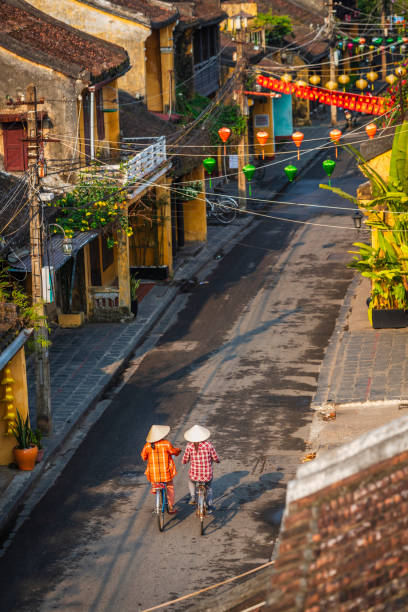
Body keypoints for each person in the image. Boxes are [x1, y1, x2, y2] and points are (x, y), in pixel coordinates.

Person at [141, 425, 181, 514]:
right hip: (166, 473)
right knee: (170, 486)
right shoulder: (166, 443)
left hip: (153, 474)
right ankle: (170, 506)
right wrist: (178, 450)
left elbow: (143, 457)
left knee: (154, 479)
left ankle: (156, 489)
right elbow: (174, 452)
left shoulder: (147, 446)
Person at [182, 425, 220, 513]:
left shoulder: (189, 446)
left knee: (190, 481)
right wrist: (217, 461)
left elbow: (185, 459)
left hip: (194, 475)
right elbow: (215, 457)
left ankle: (192, 496)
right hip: (207, 475)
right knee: (209, 487)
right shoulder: (208, 445)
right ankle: (209, 505)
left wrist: (184, 462)